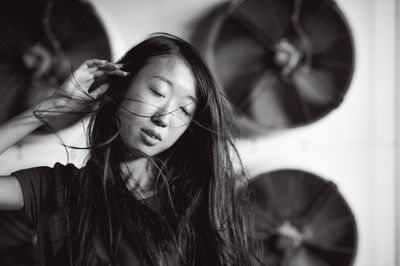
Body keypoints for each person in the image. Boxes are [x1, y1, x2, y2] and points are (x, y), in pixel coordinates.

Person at [0, 33, 259, 265]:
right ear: (120, 90)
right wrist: (53, 107)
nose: (164, 117)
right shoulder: (61, 190)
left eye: (184, 110)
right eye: (158, 92)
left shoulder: (201, 206)